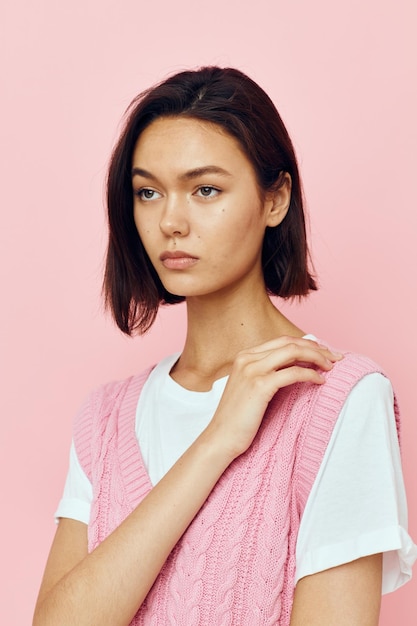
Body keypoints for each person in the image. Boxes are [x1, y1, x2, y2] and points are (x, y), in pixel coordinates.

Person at [33, 66, 416, 626]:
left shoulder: (340, 400)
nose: (170, 220)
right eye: (148, 192)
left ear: (276, 199)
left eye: (205, 189)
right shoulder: (106, 420)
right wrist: (216, 441)